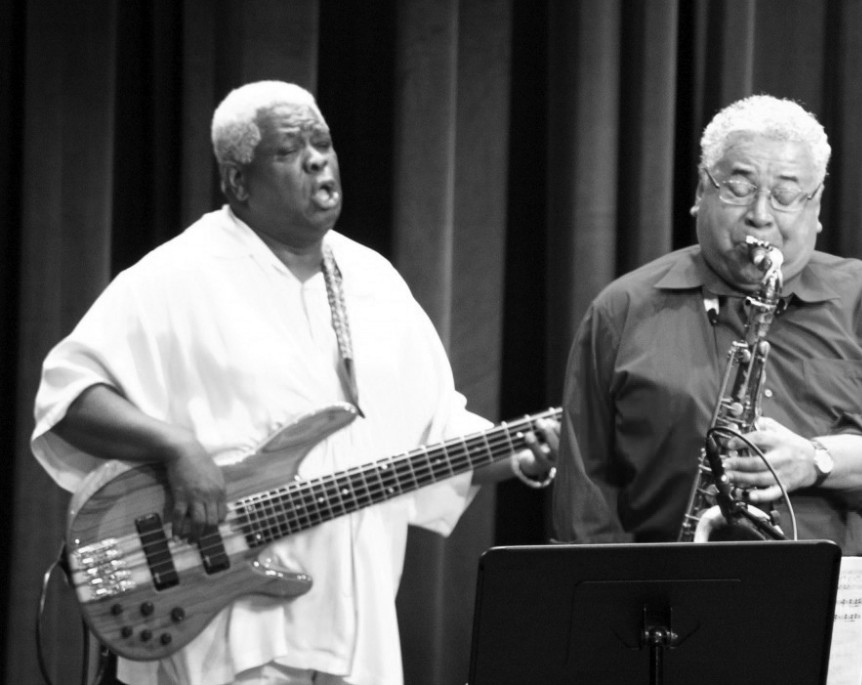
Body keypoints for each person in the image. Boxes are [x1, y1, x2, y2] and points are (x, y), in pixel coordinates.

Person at [31, 80, 557, 685]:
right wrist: (176, 448)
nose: (316, 160)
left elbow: (436, 434)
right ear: (238, 181)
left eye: (323, 143)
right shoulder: (177, 276)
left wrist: (521, 452)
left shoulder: (376, 282)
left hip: (356, 634)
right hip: (228, 631)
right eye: (289, 151)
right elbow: (69, 400)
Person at [550, 94, 862, 683]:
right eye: (738, 187)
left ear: (816, 208)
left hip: (830, 607)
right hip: (662, 613)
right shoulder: (623, 308)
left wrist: (814, 459)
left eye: (786, 195)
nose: (761, 215)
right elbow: (585, 497)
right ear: (700, 192)